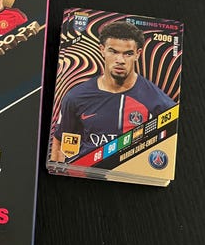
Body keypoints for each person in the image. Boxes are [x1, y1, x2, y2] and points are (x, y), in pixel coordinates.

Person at [51, 20, 176, 162]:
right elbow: (60, 143)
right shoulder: (75, 97)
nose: (120, 60)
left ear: (138, 54)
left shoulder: (158, 102)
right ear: (102, 50)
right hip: (86, 172)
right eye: (113, 51)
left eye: (128, 54)